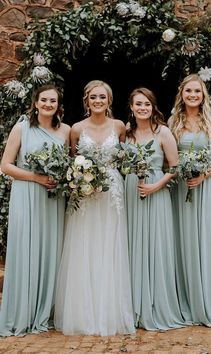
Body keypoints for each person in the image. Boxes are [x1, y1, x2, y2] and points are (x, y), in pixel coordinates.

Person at [54, 80, 135, 336]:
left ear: (109, 100)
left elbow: (123, 158)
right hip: (85, 195)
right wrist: (80, 177)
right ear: (86, 101)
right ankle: (83, 314)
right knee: (84, 245)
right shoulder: (76, 129)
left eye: (102, 97)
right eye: (93, 97)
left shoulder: (120, 126)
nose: (98, 101)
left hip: (112, 193)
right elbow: (72, 159)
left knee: (110, 245)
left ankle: (110, 311)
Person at [0, 84, 71, 336]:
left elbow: (70, 165)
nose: (48, 104)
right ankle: (22, 311)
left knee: (51, 250)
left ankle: (45, 311)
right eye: (44, 100)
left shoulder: (65, 131)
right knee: (25, 249)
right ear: (36, 102)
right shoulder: (22, 128)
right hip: (27, 195)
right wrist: (36, 177)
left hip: (53, 198)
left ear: (58, 105)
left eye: (53, 101)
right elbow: (6, 166)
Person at [168, 74, 211, 326]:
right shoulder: (174, 119)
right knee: (185, 242)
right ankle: (189, 301)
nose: (193, 95)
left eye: (197, 91)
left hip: (209, 187)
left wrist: (204, 173)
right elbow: (169, 154)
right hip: (183, 188)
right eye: (188, 91)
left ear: (203, 94)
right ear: (181, 93)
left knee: (208, 239)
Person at [125, 87, 185, 330]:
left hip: (156, 193)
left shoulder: (163, 133)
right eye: (138, 104)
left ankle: (156, 305)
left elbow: (175, 167)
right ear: (131, 107)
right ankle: (133, 305)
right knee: (132, 245)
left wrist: (155, 186)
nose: (142, 108)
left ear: (153, 107)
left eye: (147, 104)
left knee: (155, 245)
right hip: (131, 192)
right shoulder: (126, 135)